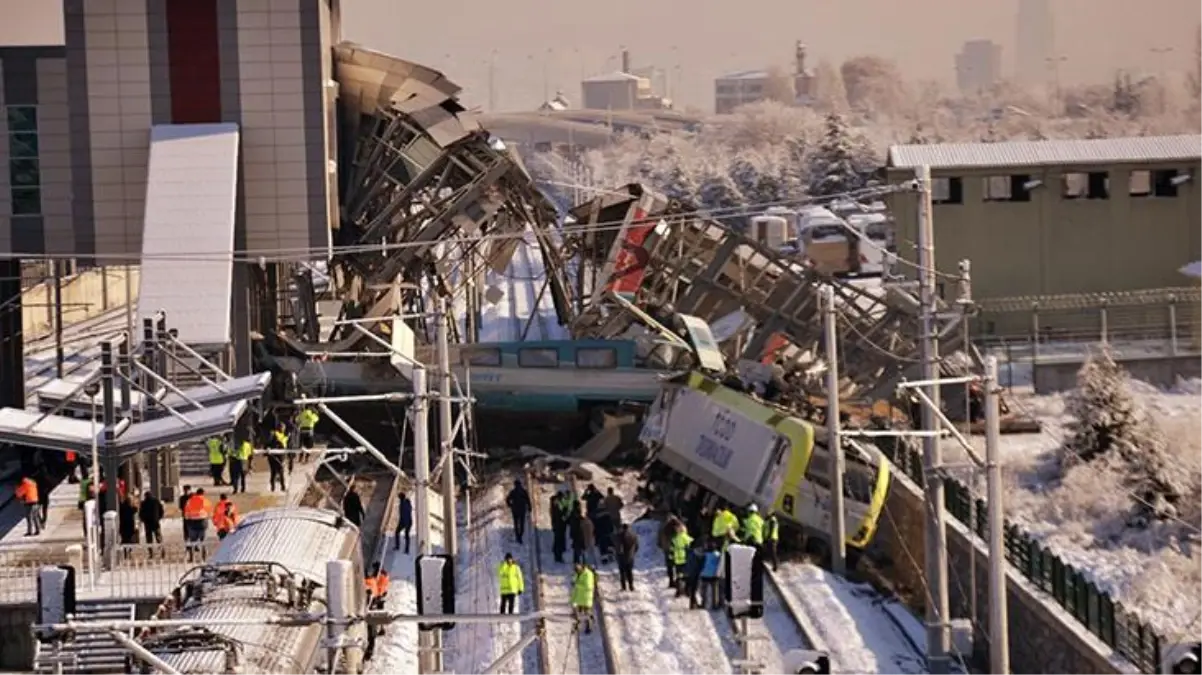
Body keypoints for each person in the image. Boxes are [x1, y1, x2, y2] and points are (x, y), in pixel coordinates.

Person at [183, 488, 212, 562]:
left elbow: (186, 515)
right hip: (202, 523)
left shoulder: (189, 501)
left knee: (192, 542)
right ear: (203, 493)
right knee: (203, 542)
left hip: (192, 524)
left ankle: (192, 558)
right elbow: (209, 513)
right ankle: (204, 558)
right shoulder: (205, 501)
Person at [657, 514, 683, 588]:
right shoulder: (680, 526)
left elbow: (660, 538)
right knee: (678, 566)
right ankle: (678, 582)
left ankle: (671, 581)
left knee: (670, 566)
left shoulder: (663, 527)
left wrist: (661, 545)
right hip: (678, 549)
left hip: (667, 549)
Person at [571, 562, 596, 634]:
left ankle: (589, 627)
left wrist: (577, 585)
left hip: (586, 596)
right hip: (578, 596)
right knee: (577, 612)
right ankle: (576, 625)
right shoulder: (578, 574)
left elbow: (588, 586)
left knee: (586, 613)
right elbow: (575, 579)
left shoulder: (588, 574)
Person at [670, 522, 693, 597]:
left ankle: (679, 590)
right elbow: (691, 545)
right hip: (685, 559)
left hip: (677, 559)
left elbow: (671, 548)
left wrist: (671, 556)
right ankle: (687, 591)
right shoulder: (686, 537)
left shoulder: (675, 538)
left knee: (679, 575)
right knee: (687, 576)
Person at [505, 479, 531, 544]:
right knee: (522, 524)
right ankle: (520, 536)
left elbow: (507, 499)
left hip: (515, 510)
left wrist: (510, 505)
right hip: (522, 510)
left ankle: (518, 536)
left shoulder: (513, 492)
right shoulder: (523, 491)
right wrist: (529, 507)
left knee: (516, 524)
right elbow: (528, 500)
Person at [615, 523, 639, 591]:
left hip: (621, 557)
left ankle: (623, 587)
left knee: (622, 572)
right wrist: (633, 552)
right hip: (630, 556)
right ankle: (631, 586)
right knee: (629, 571)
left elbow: (617, 546)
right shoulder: (633, 535)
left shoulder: (618, 536)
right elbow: (637, 546)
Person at [267, 424, 288, 492]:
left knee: (277, 472)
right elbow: (269, 443)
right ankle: (280, 486)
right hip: (274, 456)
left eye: (284, 428)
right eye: (283, 428)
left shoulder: (283, 435)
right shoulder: (274, 434)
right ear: (280, 428)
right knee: (277, 471)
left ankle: (278, 486)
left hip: (280, 455)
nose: (283, 429)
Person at [550, 490, 568, 564]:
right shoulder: (559, 505)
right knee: (559, 540)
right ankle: (558, 556)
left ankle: (557, 554)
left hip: (557, 524)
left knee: (557, 539)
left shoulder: (554, 504)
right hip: (560, 524)